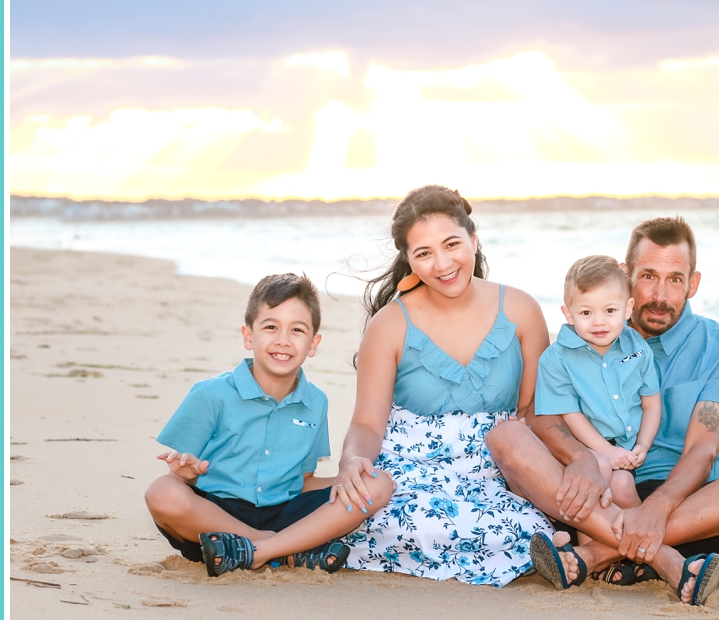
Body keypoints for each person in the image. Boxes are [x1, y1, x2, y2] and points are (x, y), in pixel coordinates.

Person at [487, 216, 719, 594]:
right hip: (597, 493)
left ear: (693, 284)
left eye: (675, 279)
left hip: (687, 505)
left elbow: (705, 448)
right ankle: (659, 558)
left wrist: (659, 507)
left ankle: (596, 556)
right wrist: (580, 458)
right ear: (626, 276)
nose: (660, 294)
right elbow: (544, 420)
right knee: (506, 435)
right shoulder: (586, 333)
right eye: (649, 275)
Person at [333, 185, 555, 586]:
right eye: (424, 253)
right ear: (409, 261)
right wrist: (352, 460)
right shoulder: (390, 324)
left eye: (452, 244)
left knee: (533, 528)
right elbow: (366, 424)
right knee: (403, 519)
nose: (442, 263)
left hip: (497, 471)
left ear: (473, 238)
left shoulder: (522, 309)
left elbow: (534, 413)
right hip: (412, 473)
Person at [145, 274, 394, 577]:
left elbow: (303, 480)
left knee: (377, 483)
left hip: (284, 511)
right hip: (216, 515)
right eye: (271, 327)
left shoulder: (316, 402)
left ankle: (257, 551)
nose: (283, 340)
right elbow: (184, 472)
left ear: (313, 343)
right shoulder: (210, 394)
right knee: (161, 491)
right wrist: (187, 476)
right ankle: (282, 548)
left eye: (297, 330)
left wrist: (344, 479)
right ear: (248, 335)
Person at [535, 255, 661, 513]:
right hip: (582, 448)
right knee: (599, 469)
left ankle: (632, 544)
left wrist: (642, 446)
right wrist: (605, 451)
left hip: (624, 450)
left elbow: (651, 403)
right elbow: (570, 414)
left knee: (624, 485)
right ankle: (589, 545)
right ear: (568, 314)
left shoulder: (638, 349)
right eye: (586, 312)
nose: (599, 321)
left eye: (610, 311)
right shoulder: (556, 358)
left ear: (628, 309)